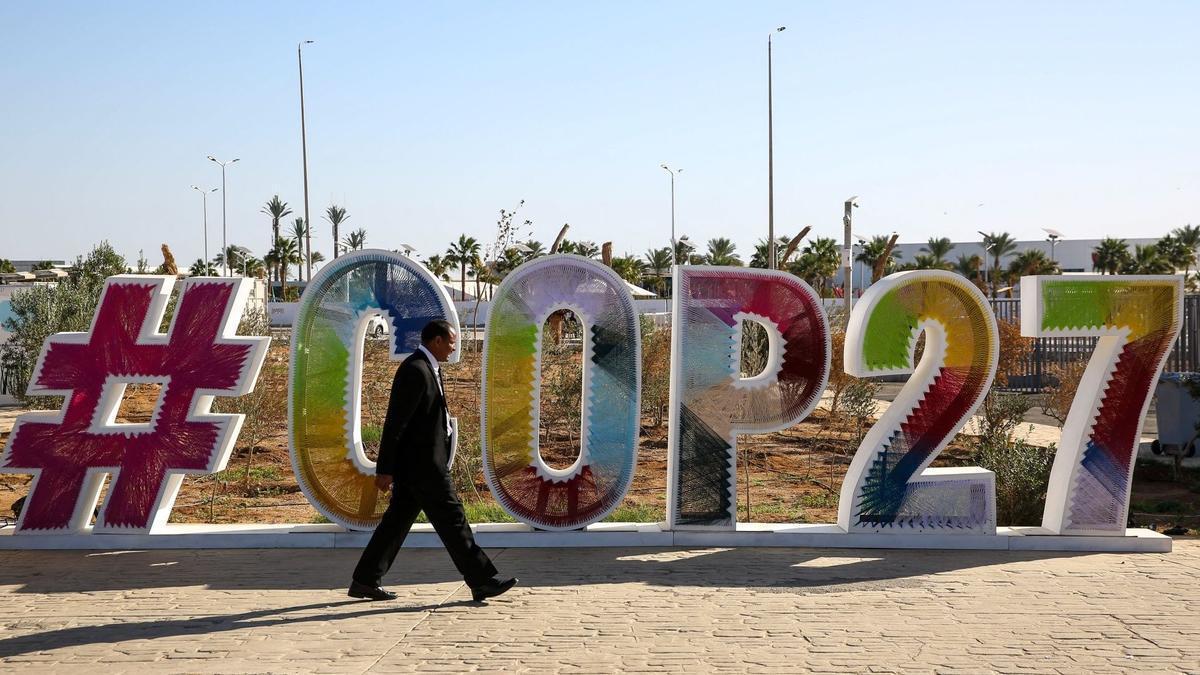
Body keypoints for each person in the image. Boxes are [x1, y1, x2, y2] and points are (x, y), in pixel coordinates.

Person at [349, 320, 517, 603]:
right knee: (453, 520)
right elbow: (395, 424)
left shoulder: (428, 369)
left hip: (422, 466)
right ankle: (482, 580)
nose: (454, 348)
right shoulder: (415, 371)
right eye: (451, 342)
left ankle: (365, 579)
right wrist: (385, 469)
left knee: (396, 523)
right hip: (423, 467)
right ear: (436, 341)